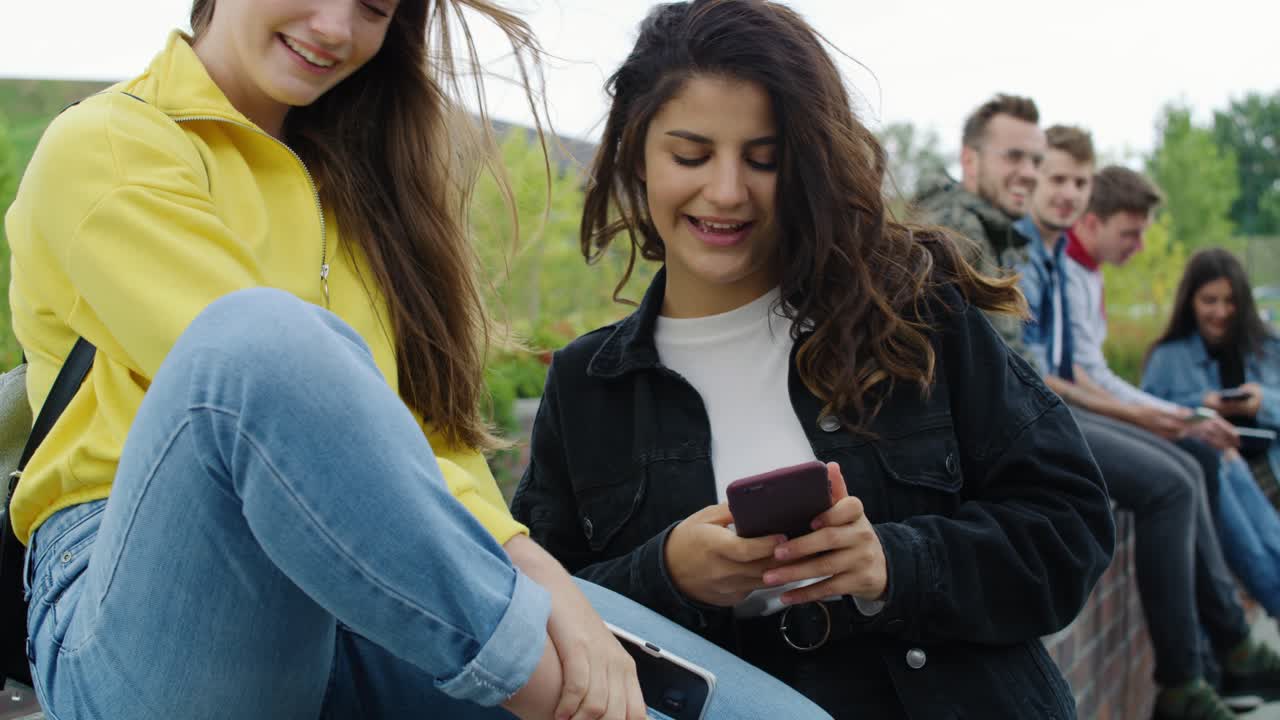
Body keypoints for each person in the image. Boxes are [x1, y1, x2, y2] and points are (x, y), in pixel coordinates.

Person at [5, 1, 830, 718]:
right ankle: (547, 692)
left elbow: (426, 442)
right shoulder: (109, 146)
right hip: (151, 597)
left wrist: (560, 596)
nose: (336, 28)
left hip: (376, 589)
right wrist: (547, 655)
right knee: (262, 337)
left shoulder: (363, 196)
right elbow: (273, 400)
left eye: (374, 5)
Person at [510, 2, 1115, 717]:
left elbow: (1070, 527)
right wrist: (668, 575)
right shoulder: (588, 390)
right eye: (691, 155)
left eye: (765, 159)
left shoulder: (913, 315)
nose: (728, 190)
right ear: (637, 156)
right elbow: (536, 619)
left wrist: (893, 563)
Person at [1017, 135, 1280, 717]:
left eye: (1076, 182)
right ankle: (1189, 675)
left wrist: (1176, 416)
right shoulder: (1037, 258)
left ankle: (1225, 652)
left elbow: (1085, 371)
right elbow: (1058, 375)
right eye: (1131, 233)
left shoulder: (1064, 263)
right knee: (1177, 478)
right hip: (1040, 420)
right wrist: (1160, 414)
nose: (1138, 247)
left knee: (1196, 460)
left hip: (1059, 409)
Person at [1144, 248, 1280, 592]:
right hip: (1224, 474)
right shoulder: (1166, 357)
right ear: (1191, 301)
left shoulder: (1268, 347)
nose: (1221, 312)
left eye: (1230, 301)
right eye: (1209, 300)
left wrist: (1262, 404)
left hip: (1270, 468)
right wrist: (1201, 406)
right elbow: (1148, 416)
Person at [914, 93, 1044, 360]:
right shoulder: (953, 231)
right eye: (1014, 157)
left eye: (1036, 162)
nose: (1030, 173)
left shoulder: (991, 232)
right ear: (970, 161)